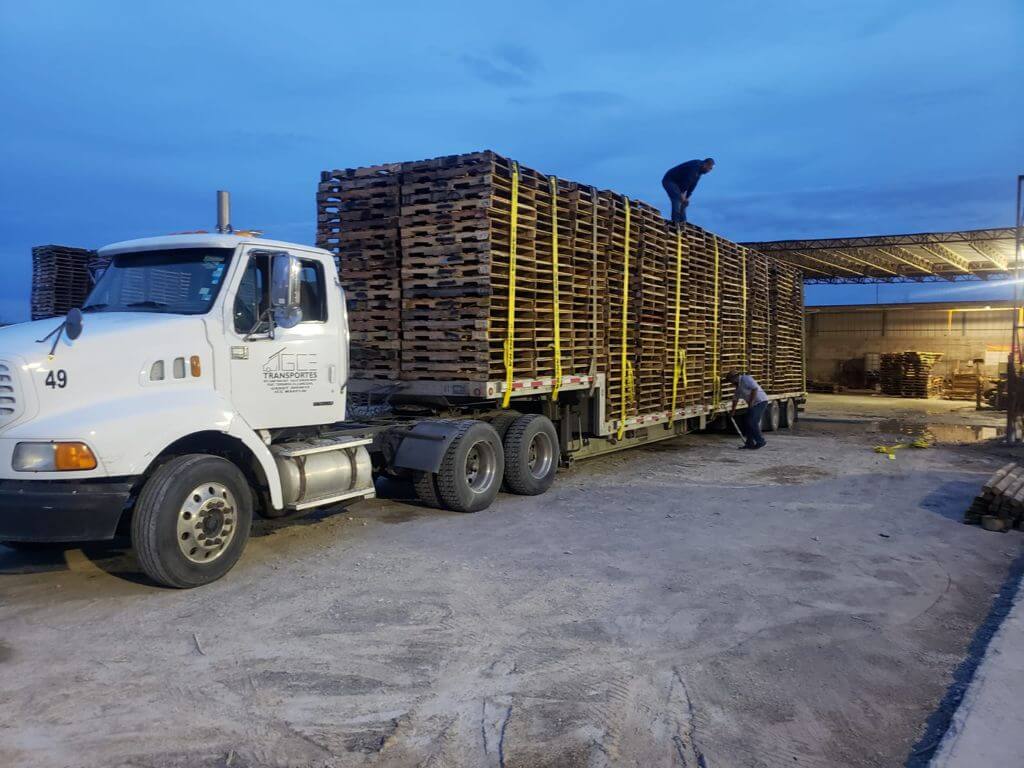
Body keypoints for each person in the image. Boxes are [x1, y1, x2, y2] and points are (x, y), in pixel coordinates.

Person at [662, 158, 714, 224]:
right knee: (677, 198)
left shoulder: (699, 172)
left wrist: (687, 198)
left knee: (684, 202)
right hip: (670, 180)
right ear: (705, 165)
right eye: (710, 168)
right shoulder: (695, 166)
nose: (709, 171)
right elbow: (687, 181)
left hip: (678, 184)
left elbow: (692, 186)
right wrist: (682, 195)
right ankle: (675, 221)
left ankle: (683, 222)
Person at [725, 370, 768, 449]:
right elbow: (735, 399)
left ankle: (761, 441)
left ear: (735, 377)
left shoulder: (746, 379)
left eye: (730, 380)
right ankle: (749, 443)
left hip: (760, 402)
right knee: (748, 423)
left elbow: (755, 389)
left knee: (751, 422)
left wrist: (751, 402)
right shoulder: (738, 386)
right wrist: (733, 411)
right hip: (753, 404)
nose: (731, 383)